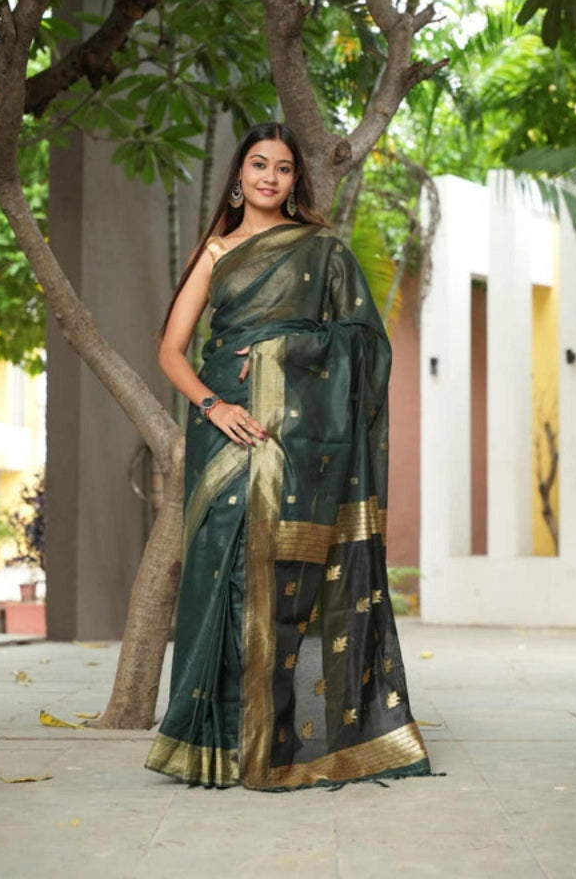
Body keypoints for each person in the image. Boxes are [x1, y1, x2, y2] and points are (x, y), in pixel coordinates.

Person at [144, 122, 432, 790]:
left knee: (280, 577)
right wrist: (213, 406)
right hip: (228, 425)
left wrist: (290, 349)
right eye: (258, 164)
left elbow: (366, 342)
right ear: (239, 177)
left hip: (296, 431)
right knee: (218, 569)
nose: (269, 177)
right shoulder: (217, 251)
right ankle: (211, 743)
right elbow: (169, 350)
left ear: (295, 179)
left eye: (282, 167)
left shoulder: (322, 249)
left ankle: (271, 741)